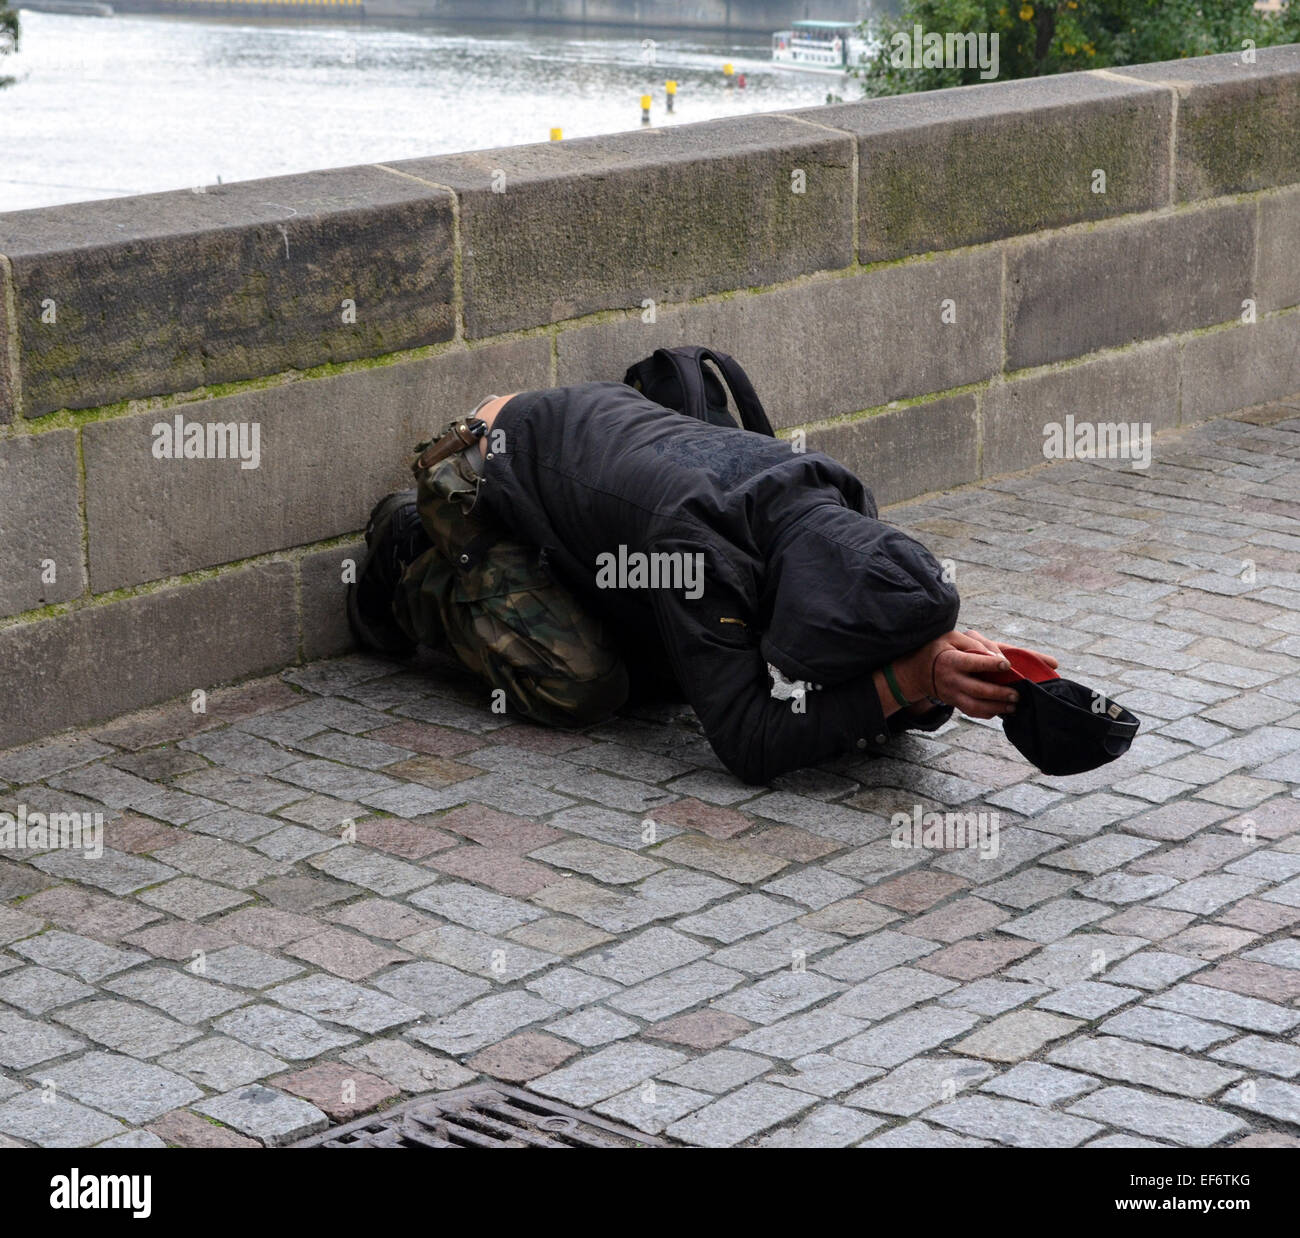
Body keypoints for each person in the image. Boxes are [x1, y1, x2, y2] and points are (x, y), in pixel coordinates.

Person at [348, 382, 1060, 784]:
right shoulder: (701, 546)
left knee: (682, 667)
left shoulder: (842, 512)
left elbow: (853, 658)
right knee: (588, 685)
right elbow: (747, 743)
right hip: (481, 465)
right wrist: (904, 683)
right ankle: (411, 552)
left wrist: (938, 662)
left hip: (595, 462)